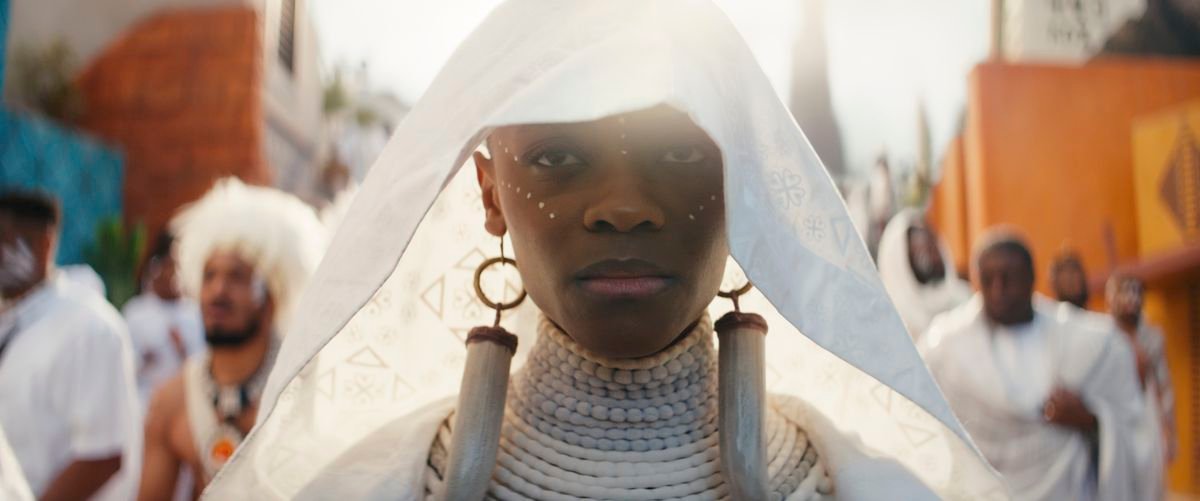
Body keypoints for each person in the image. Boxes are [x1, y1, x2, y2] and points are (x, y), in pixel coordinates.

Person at [206, 1, 1005, 499]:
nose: (624, 207)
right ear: (491, 195)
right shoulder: (366, 486)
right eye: (557, 156)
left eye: (683, 153)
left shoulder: (863, 487)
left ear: (748, 188)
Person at [138, 179, 325, 500]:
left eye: (237, 276)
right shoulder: (171, 401)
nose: (218, 290)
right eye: (209, 275)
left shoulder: (307, 390)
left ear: (270, 298)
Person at [922, 230, 1142, 500]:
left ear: (1030, 278)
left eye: (1008, 278)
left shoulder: (1087, 346)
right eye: (988, 279)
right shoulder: (946, 350)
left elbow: (1134, 428)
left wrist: (1090, 418)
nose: (998, 289)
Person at [0, 189, 141, 501]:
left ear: (44, 244)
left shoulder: (89, 328)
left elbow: (102, 456)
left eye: (3, 242)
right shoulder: (11, 317)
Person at [1107, 274, 1174, 501]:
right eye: (1124, 292)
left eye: (1136, 293)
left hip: (1147, 421)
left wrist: (1169, 431)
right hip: (1111, 423)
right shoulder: (1102, 335)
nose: (1130, 299)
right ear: (1111, 297)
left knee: (1150, 486)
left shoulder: (1153, 337)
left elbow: (1163, 386)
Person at [123, 232, 205, 409]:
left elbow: (206, 367)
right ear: (156, 268)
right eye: (169, 266)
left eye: (178, 268)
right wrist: (143, 358)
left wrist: (183, 350)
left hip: (184, 404)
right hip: (145, 402)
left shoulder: (194, 313)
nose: (174, 275)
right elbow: (122, 363)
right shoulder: (136, 311)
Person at [877, 208, 970, 341]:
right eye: (920, 247)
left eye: (931, 243)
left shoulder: (965, 301)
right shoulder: (891, 327)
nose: (932, 254)